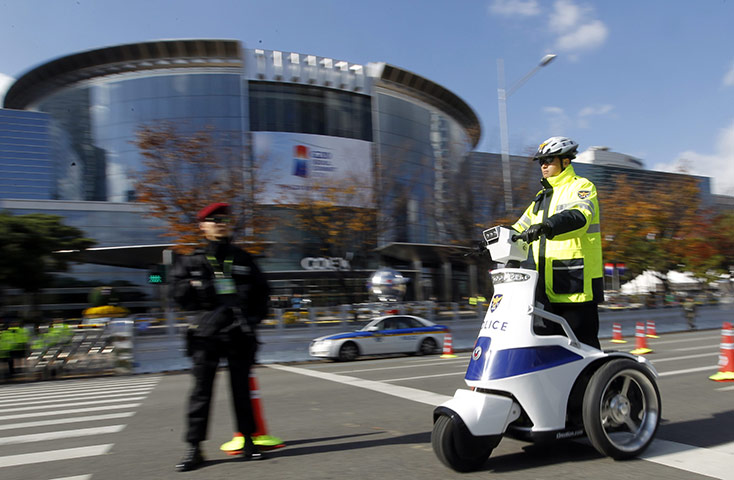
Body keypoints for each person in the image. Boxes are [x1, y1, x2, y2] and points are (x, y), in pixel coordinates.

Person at [170, 202, 270, 472]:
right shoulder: (190, 260)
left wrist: (253, 320)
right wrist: (192, 288)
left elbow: (263, 294)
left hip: (239, 333)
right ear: (202, 226)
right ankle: (194, 448)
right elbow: (175, 294)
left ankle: (249, 441)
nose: (220, 223)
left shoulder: (244, 258)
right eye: (213, 220)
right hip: (205, 335)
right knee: (201, 392)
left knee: (241, 390)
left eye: (224, 219)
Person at [512, 136, 603, 349]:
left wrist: (548, 225)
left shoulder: (581, 186)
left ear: (566, 161)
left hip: (574, 286)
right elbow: (518, 229)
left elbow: (579, 216)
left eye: (549, 160)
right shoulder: (541, 197)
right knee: (549, 351)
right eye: (541, 161)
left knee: (584, 350)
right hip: (543, 289)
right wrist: (488, 242)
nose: (543, 165)